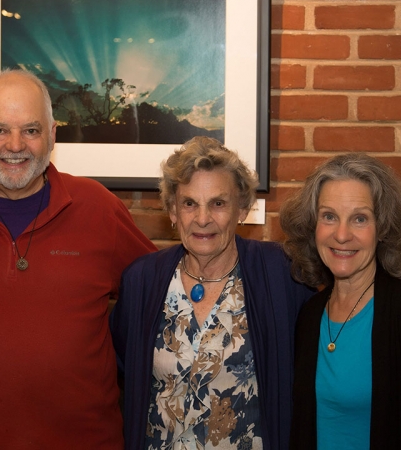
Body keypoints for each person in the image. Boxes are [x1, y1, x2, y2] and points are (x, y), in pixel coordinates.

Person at [0, 68, 156, 449]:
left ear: (52, 135)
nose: (15, 145)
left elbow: (160, 299)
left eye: (30, 130)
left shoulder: (98, 208)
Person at [109, 136, 314, 450]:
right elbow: (124, 367)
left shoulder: (281, 274)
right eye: (189, 203)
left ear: (241, 209)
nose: (202, 219)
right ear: (173, 211)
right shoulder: (142, 281)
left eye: (218, 203)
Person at [280, 153, 401, 450]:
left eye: (359, 218)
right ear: (313, 225)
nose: (342, 234)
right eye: (329, 216)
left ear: (383, 228)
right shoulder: (309, 315)